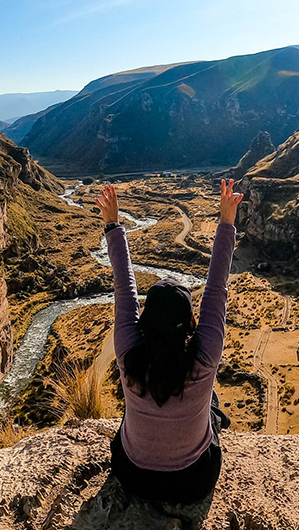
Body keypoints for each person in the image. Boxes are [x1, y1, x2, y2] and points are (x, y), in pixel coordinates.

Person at [94, 179, 244, 505]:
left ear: (145, 319)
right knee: (212, 402)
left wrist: (113, 224)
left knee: (130, 414)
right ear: (188, 322)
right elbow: (217, 290)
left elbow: (124, 289)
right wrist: (226, 221)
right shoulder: (205, 356)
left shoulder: (128, 349)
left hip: (132, 475)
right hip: (192, 482)